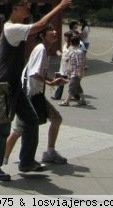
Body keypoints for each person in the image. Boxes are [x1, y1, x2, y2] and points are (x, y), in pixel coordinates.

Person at [0, 0, 71, 182]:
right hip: (3, 86)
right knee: (0, 128)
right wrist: (60, 6)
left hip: (14, 86)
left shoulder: (16, 28)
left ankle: (27, 161)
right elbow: (39, 26)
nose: (28, 7)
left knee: (31, 119)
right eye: (24, 4)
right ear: (14, 8)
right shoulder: (11, 28)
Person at [4, 24, 68, 166]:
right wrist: (51, 83)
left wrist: (52, 80)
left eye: (54, 29)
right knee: (19, 129)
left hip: (36, 94)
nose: (55, 32)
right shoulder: (41, 50)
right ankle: (2, 159)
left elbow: (39, 73)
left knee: (56, 118)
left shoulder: (44, 50)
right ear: (42, 35)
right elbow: (34, 74)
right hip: (30, 95)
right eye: (50, 30)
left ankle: (49, 152)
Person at [59, 34, 87, 106]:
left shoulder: (78, 52)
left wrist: (80, 72)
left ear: (71, 43)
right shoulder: (73, 51)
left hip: (76, 73)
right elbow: (68, 59)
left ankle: (67, 101)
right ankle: (83, 100)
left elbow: (80, 63)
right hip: (73, 72)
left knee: (71, 86)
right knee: (77, 86)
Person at [51, 31, 73, 101]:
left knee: (64, 81)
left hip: (69, 67)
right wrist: (60, 54)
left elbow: (71, 56)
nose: (64, 38)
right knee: (70, 82)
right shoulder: (65, 45)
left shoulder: (72, 47)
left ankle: (57, 96)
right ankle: (77, 95)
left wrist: (66, 57)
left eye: (66, 37)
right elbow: (63, 55)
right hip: (63, 66)